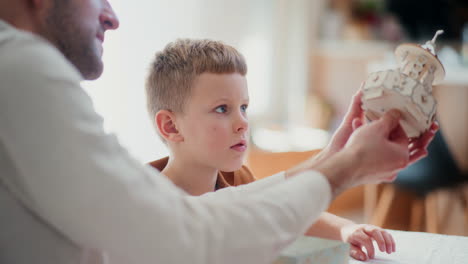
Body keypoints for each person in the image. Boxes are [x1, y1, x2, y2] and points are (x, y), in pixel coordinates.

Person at [0, 0, 437, 263]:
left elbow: (214, 210)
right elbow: (188, 236)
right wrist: (346, 166)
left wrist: (337, 157)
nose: (112, 17)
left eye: (242, 107)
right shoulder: (20, 70)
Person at [145, 38, 399, 261]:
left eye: (243, 107)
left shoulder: (238, 178)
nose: (243, 122)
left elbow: (284, 211)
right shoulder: (146, 204)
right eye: (222, 109)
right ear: (171, 126)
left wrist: (345, 229)